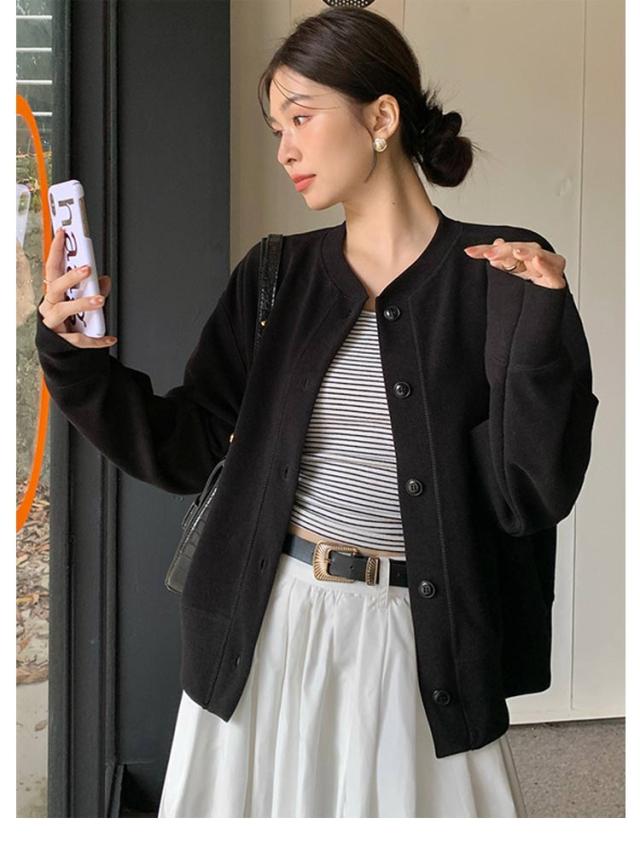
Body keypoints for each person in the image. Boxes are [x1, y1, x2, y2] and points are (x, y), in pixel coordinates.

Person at [36, 7, 598, 817]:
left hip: (420, 639)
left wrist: (540, 325)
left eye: (301, 118)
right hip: (269, 625)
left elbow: (531, 493)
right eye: (276, 129)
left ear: (381, 117)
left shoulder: (498, 271)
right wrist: (71, 356)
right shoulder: (275, 276)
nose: (286, 149)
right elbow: (186, 446)